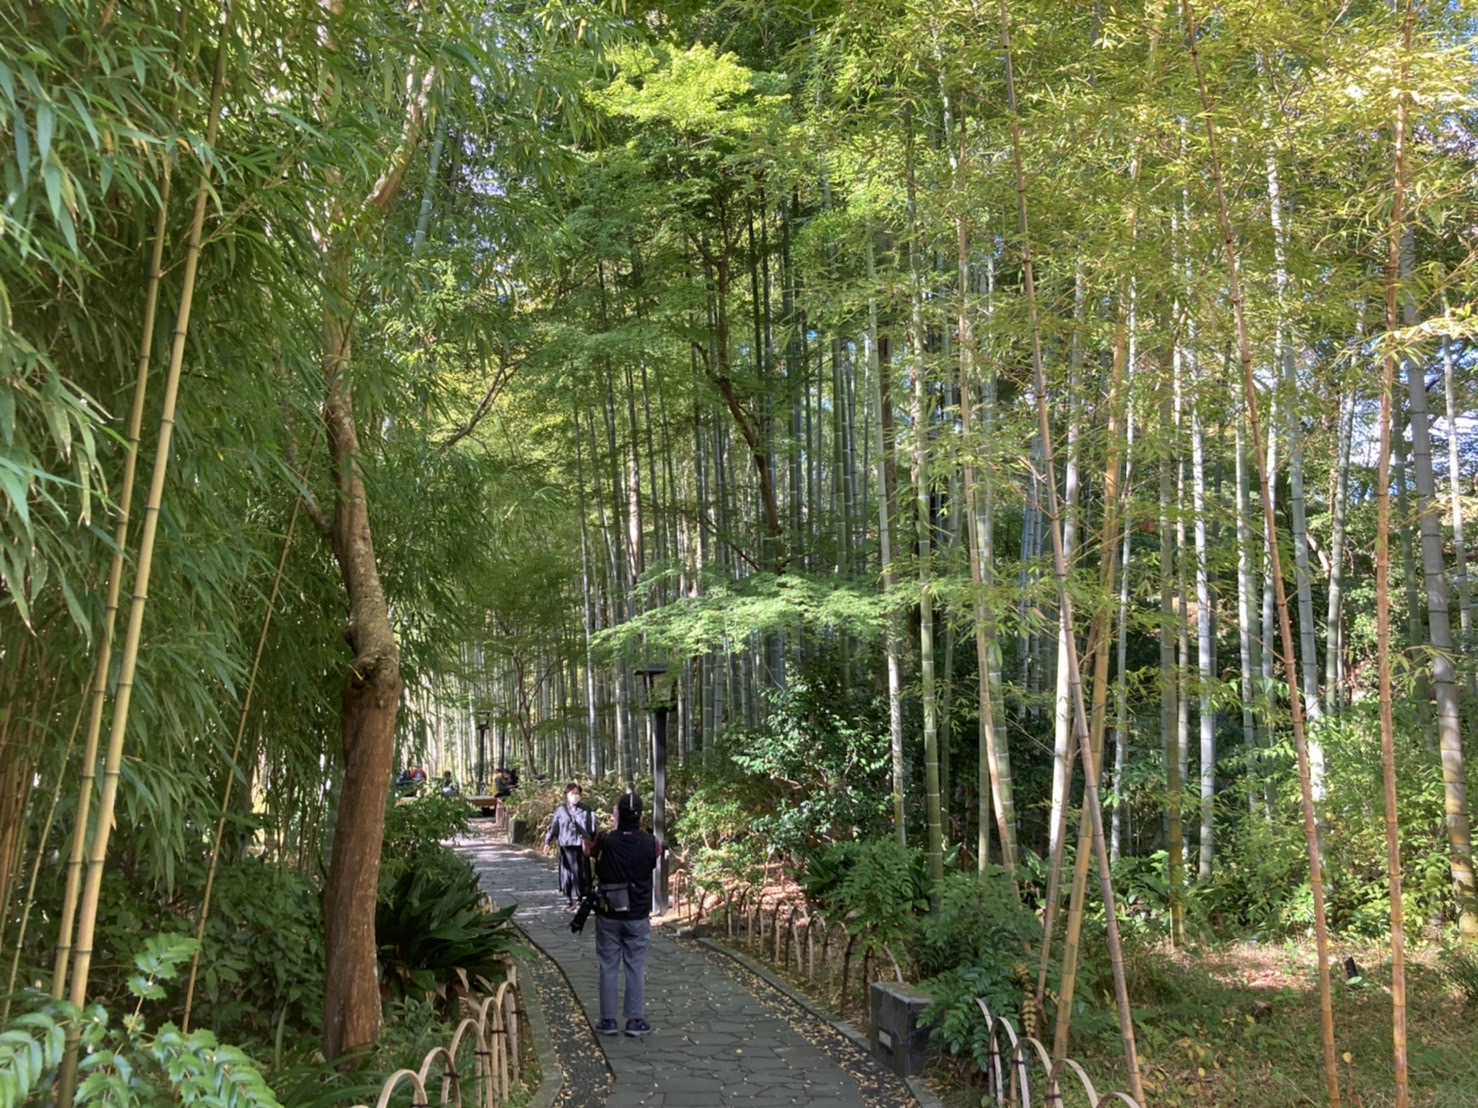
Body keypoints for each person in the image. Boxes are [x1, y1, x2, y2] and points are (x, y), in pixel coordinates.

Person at [584, 791, 660, 1037]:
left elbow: (588, 852)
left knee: (608, 965)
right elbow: (656, 856)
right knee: (635, 965)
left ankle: (608, 1021)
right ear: (641, 815)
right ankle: (635, 1020)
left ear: (617, 813)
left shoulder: (605, 839)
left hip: (609, 911)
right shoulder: (651, 842)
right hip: (638, 913)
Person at [545, 782, 597, 910]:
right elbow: (554, 827)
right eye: (572, 793)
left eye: (577, 793)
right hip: (566, 846)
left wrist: (592, 841)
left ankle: (579, 898)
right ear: (566, 795)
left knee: (581, 873)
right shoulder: (561, 810)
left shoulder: (586, 809)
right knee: (567, 873)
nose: (575, 796)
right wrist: (548, 842)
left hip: (581, 846)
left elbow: (592, 828)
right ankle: (569, 899)